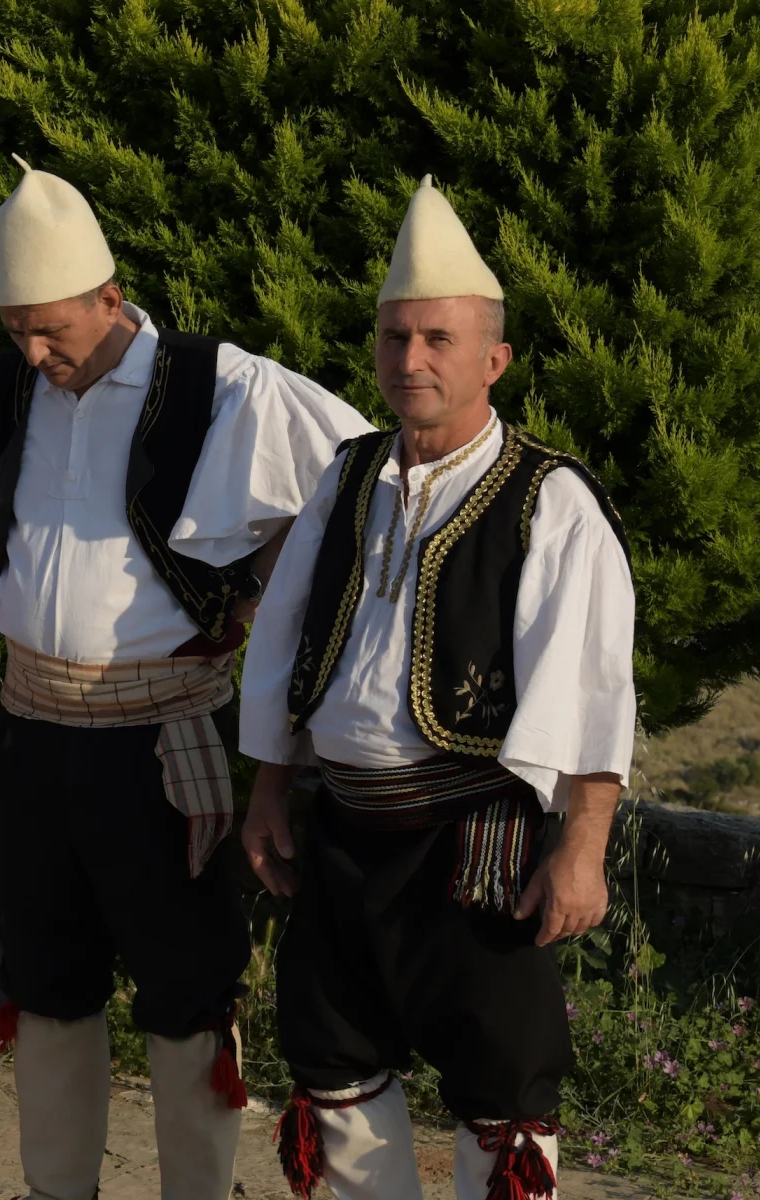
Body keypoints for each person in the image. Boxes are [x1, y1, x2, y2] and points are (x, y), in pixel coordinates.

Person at [0, 159, 374, 1200]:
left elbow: (346, 490)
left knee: (188, 985)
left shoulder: (218, 384)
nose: (33, 352)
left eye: (51, 329)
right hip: (32, 733)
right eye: (16, 329)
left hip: (165, 738)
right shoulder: (4, 387)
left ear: (110, 298)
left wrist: (256, 598)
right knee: (47, 980)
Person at [240, 177, 630, 1200]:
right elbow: (284, 640)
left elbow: (592, 686)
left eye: (437, 340)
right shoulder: (346, 474)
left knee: (502, 1083)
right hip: (339, 828)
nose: (409, 359)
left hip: (474, 838)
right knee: (331, 1061)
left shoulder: (550, 498)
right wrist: (270, 788)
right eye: (393, 336)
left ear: (493, 359)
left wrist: (581, 848)